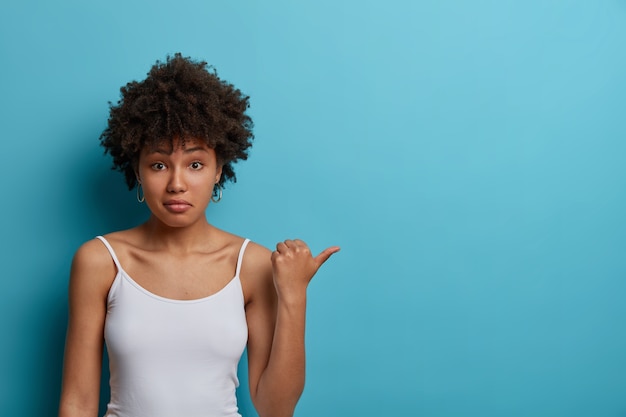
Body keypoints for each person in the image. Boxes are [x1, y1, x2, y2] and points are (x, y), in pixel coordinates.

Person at [58, 53, 339, 417]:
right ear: (138, 172)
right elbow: (77, 403)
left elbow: (276, 408)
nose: (177, 184)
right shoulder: (100, 261)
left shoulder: (251, 264)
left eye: (195, 164)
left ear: (218, 169)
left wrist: (294, 296)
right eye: (159, 165)